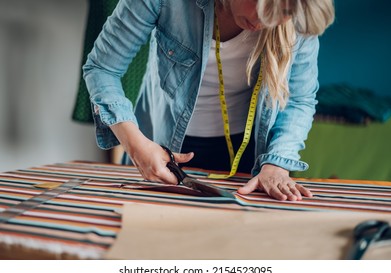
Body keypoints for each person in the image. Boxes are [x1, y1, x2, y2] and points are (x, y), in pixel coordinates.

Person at [83, 0, 335, 201]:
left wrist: (277, 163)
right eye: (262, 6)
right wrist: (135, 144)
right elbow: (102, 68)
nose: (263, 22)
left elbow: (299, 99)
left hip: (250, 158)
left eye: (285, 13)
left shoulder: (298, 15)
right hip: (159, 151)